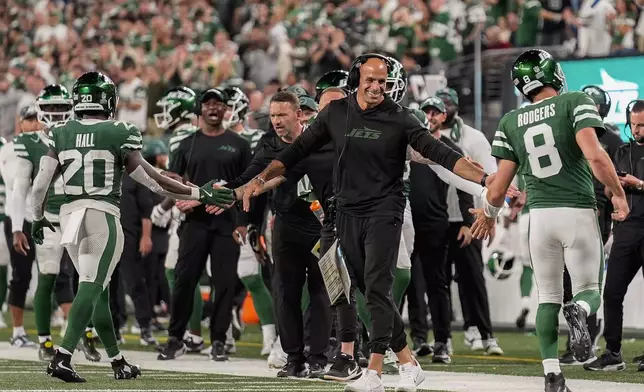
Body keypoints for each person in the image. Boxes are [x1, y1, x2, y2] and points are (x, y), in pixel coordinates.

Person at [233, 53, 489, 392]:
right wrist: (257, 181)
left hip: (385, 210)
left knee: (377, 286)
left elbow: (440, 153)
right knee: (364, 290)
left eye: (382, 81)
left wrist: (488, 180)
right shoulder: (337, 114)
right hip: (345, 212)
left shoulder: (400, 117)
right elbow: (292, 154)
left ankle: (374, 371)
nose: (376, 86)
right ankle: (408, 362)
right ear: (356, 79)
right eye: (369, 79)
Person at [29, 71, 230, 383]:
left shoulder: (60, 131)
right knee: (92, 286)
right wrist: (199, 193)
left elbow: (40, 185)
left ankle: (117, 360)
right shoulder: (120, 130)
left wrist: (38, 216)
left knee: (96, 289)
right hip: (100, 214)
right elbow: (151, 180)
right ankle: (63, 355)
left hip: (69, 216)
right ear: (107, 100)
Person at [472, 49, 629, 392]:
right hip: (576, 211)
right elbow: (595, 154)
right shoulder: (574, 100)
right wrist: (617, 193)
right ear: (552, 74)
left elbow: (499, 188)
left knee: (547, 298)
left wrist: (488, 213)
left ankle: (552, 375)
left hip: (539, 218)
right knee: (590, 292)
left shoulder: (510, 121)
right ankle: (578, 310)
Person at [156, 87, 252, 362]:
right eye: (208, 103)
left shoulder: (239, 144)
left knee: (224, 284)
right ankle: (176, 337)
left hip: (227, 224)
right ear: (199, 109)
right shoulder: (187, 143)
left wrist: (244, 222)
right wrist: (186, 196)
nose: (213, 108)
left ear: (225, 109)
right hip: (194, 224)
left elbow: (248, 185)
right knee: (185, 280)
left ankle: (219, 340)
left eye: (218, 103)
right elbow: (172, 179)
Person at [435, 87, 504, 356]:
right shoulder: (425, 136)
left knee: (472, 277)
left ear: (454, 108)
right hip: (439, 217)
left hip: (470, 216)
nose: (440, 111)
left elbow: (491, 176)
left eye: (445, 104)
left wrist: (491, 213)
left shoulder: (473, 137)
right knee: (439, 280)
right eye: (436, 106)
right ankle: (463, 331)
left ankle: (484, 331)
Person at [10, 84, 75, 361]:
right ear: (40, 109)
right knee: (47, 274)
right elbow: (19, 188)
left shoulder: (81, 136)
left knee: (90, 277)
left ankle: (87, 333)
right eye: (51, 108)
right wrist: (16, 227)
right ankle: (45, 341)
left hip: (78, 215)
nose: (57, 113)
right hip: (48, 219)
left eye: (62, 107)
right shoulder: (29, 142)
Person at [560, 84, 622, 364]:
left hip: (597, 214)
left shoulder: (611, 138)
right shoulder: (572, 132)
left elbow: (617, 175)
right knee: (573, 281)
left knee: (588, 281)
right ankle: (578, 341)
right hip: (578, 210)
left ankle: (589, 340)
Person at [584, 99, 644, 372]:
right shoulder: (621, 151)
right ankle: (612, 352)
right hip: (626, 230)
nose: (637, 130)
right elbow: (609, 191)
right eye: (634, 124)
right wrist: (613, 188)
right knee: (612, 292)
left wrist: (637, 183)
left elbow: (635, 184)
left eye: (642, 125)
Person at [221, 86, 277, 356]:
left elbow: (255, 179)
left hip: (248, 210)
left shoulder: (254, 139)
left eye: (229, 107)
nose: (224, 113)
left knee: (253, 274)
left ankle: (271, 335)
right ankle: (224, 331)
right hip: (217, 214)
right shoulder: (207, 138)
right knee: (224, 277)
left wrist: (250, 219)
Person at [152, 86, 205, 353]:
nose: (163, 114)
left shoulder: (180, 137)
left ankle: (192, 333)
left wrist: (162, 207)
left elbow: (177, 180)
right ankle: (206, 332)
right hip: (203, 206)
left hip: (188, 209)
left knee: (180, 273)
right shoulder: (194, 132)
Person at [0, 105, 39, 348]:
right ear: (20, 122)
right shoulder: (10, 149)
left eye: (38, 119)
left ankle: (68, 329)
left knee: (59, 275)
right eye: (30, 119)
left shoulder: (49, 144)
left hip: (46, 217)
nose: (35, 123)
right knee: (21, 275)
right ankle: (17, 330)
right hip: (19, 218)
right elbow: (15, 184)